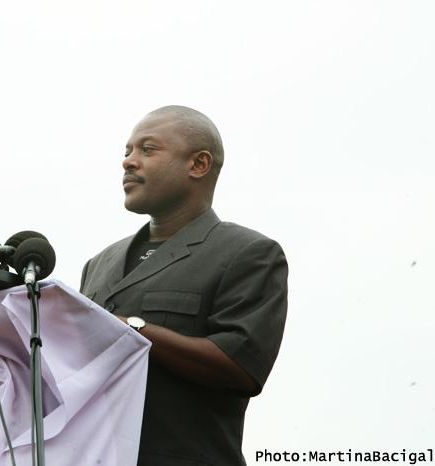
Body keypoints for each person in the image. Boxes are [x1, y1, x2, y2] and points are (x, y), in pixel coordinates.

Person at [80, 105, 288, 466]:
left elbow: (239, 366)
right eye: (127, 151)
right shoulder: (99, 264)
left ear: (199, 164)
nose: (129, 161)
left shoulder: (247, 253)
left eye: (147, 149)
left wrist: (132, 330)